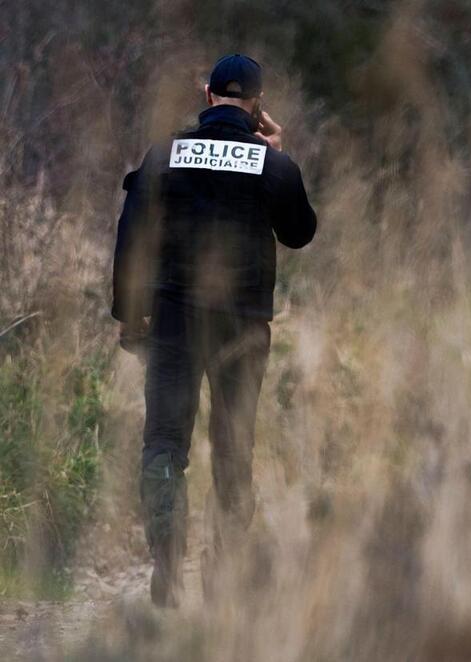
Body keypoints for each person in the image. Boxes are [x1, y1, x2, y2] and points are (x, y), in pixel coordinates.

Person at [112, 54, 317, 607]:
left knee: (163, 445)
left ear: (207, 98)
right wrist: (280, 153)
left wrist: (130, 316)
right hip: (244, 327)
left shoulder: (164, 155)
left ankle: (167, 566)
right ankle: (223, 576)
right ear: (257, 104)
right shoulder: (270, 165)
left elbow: (131, 238)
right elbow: (300, 233)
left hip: (174, 322)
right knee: (233, 450)